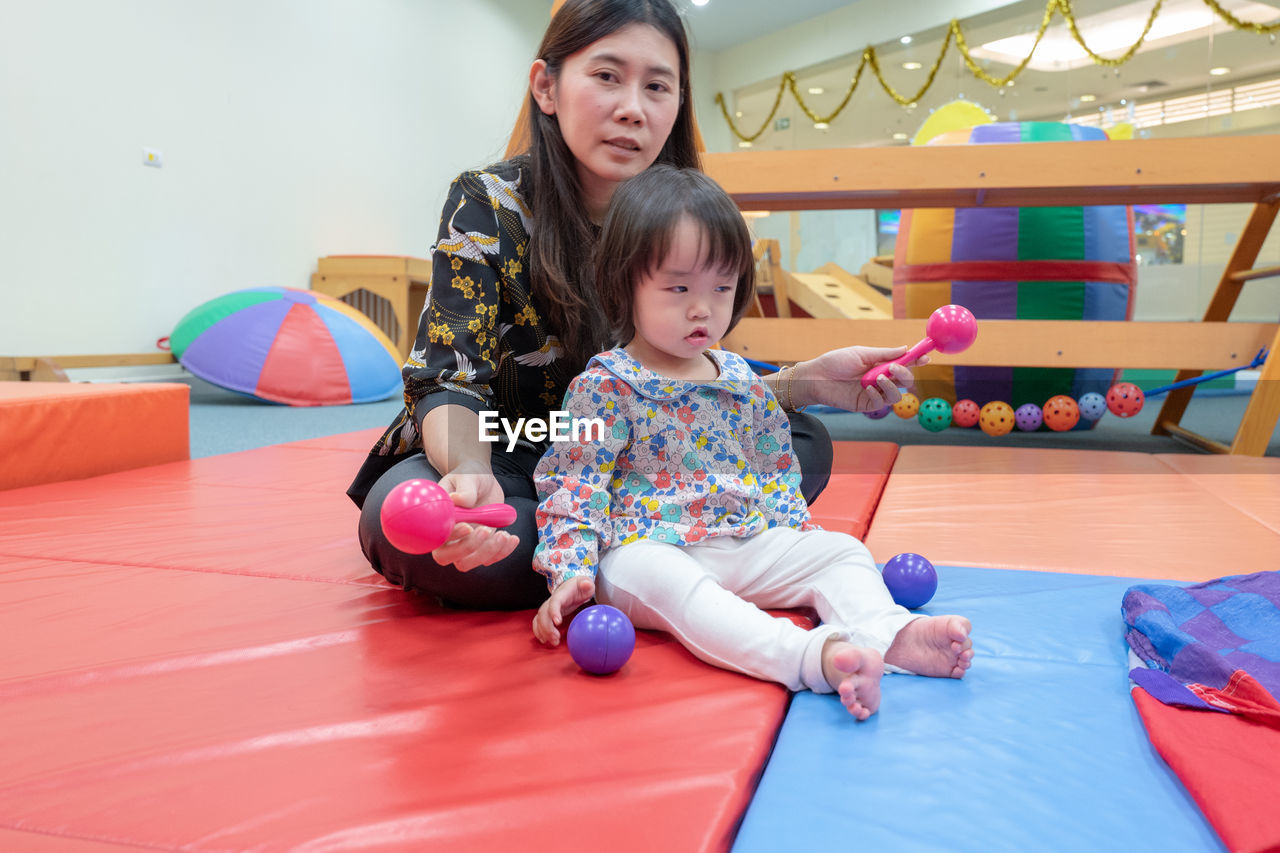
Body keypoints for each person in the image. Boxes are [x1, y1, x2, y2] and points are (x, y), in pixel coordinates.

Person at [348, 0, 920, 611]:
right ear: (547, 86)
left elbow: (689, 384)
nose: (632, 108)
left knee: (804, 441)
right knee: (399, 519)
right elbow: (448, 377)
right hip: (512, 443)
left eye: (657, 87)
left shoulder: (682, 216)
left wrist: (805, 384)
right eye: (605, 76)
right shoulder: (489, 203)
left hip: (639, 458)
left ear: (677, 106)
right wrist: (468, 474)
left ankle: (605, 556)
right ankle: (654, 549)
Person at [530, 166, 972, 719]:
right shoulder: (603, 384)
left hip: (744, 540)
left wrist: (796, 540)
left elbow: (772, 470)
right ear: (623, 284)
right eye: (679, 287)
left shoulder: (737, 375)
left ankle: (891, 633)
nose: (703, 308)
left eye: (721, 287)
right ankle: (811, 656)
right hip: (646, 549)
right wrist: (571, 572)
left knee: (842, 551)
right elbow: (572, 481)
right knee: (672, 586)